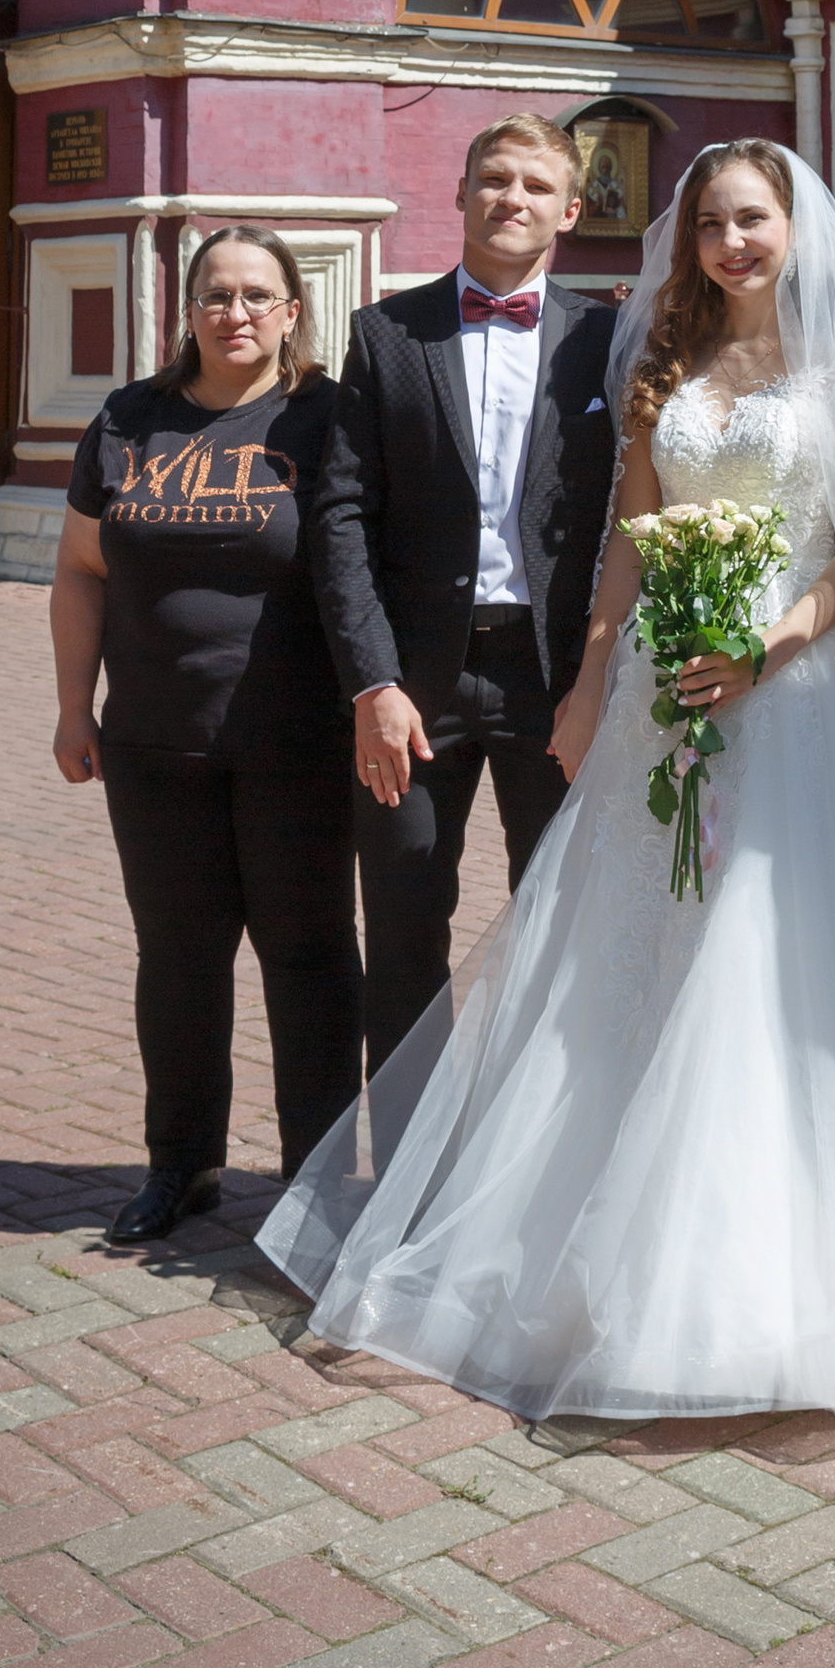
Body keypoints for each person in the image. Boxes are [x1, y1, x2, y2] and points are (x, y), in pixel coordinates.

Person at [259, 140, 835, 1419]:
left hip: (803, 704)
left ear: (795, 231)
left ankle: (784, 1286)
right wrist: (598, 678)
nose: (732, 243)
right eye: (712, 223)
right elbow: (624, 539)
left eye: (753, 220)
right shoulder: (662, 368)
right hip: (666, 696)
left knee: (775, 968)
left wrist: (766, 645)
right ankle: (583, 1247)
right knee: (634, 955)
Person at [52, 225, 357, 1250]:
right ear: (187, 311)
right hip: (152, 742)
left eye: (256, 295)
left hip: (296, 744)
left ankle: (318, 1182)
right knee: (177, 959)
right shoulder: (130, 418)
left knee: (308, 960)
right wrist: (71, 708)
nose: (236, 313)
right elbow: (81, 572)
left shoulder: (322, 418)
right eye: (215, 296)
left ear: (292, 311)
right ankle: (179, 1165)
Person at [317, 116, 617, 1087]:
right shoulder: (386, 335)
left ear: (569, 210)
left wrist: (597, 681)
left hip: (556, 685)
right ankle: (403, 1187)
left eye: (535, 186)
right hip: (416, 688)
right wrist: (372, 683)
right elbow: (341, 518)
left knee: (563, 931)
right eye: (493, 179)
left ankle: (536, 1173)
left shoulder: (605, 342)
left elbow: (631, 516)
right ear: (458, 194)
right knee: (403, 937)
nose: (511, 199)